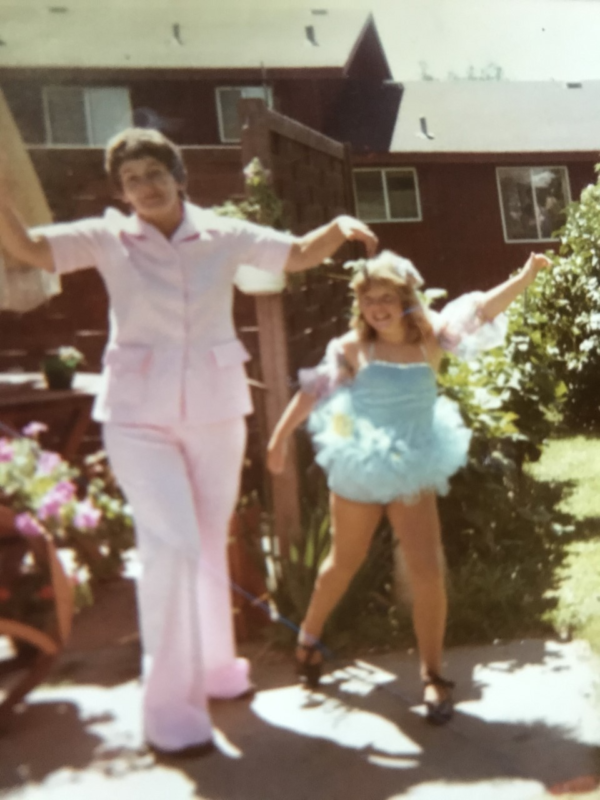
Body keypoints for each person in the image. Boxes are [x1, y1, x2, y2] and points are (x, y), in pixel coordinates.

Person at [0, 128, 378, 755]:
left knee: (204, 541)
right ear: (121, 192)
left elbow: (299, 252)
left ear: (178, 176)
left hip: (215, 412)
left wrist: (337, 225)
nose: (143, 187)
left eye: (152, 172)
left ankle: (216, 670)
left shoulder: (224, 235)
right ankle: (170, 711)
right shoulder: (107, 236)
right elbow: (29, 247)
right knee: (170, 549)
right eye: (130, 180)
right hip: (137, 420)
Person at [267, 249, 551, 724]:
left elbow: (482, 310)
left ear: (405, 299)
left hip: (414, 463)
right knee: (343, 563)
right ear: (361, 305)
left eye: (386, 298)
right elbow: (312, 391)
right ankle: (308, 637)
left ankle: (433, 675)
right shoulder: (352, 350)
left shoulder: (433, 339)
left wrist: (525, 275)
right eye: (368, 299)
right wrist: (277, 441)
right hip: (361, 464)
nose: (377, 308)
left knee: (427, 571)